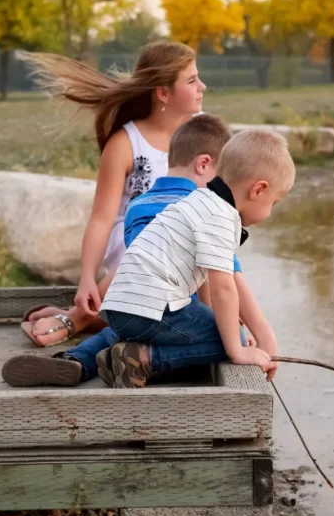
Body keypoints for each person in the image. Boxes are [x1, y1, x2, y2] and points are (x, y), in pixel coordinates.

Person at [2, 114, 260, 387]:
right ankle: (149, 360)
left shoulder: (138, 205)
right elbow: (224, 283)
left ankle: (75, 361)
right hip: (173, 307)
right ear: (204, 164)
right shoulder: (203, 209)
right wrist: (246, 334)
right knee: (232, 340)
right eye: (221, 180)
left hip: (124, 304)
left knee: (124, 330)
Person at [17, 42, 205, 347]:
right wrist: (87, 278)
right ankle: (77, 317)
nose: (202, 86)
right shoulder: (126, 143)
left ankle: (100, 317)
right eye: (192, 80)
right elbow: (102, 219)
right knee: (155, 242)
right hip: (131, 242)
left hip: (183, 247)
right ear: (163, 93)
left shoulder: (201, 133)